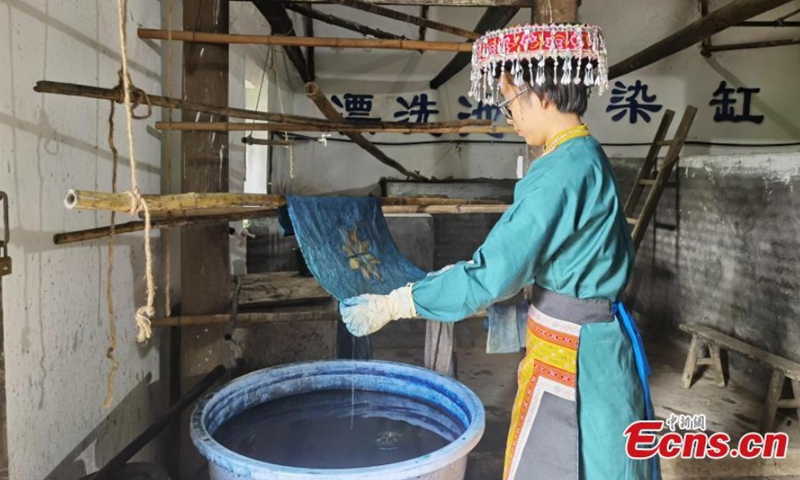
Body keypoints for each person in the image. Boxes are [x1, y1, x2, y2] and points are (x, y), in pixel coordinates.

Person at [340, 23, 659, 480]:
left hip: (577, 357)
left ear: (543, 96)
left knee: (574, 461)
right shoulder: (586, 154)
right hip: (593, 342)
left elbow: (492, 276)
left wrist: (400, 302)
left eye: (511, 101)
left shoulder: (559, 173)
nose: (509, 116)